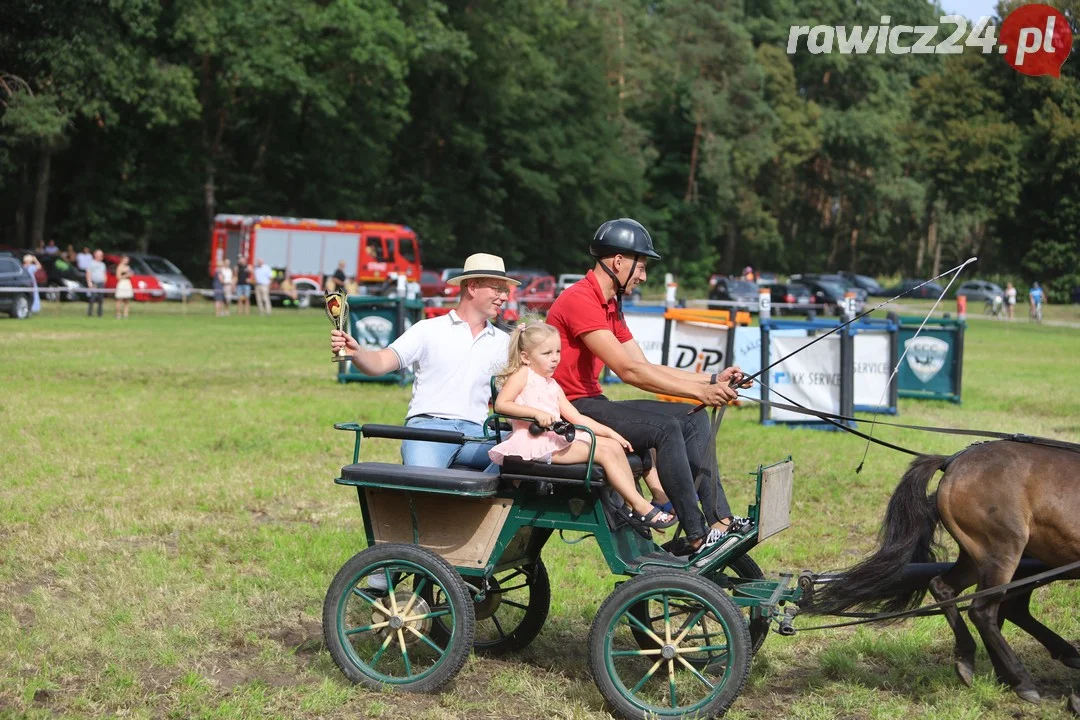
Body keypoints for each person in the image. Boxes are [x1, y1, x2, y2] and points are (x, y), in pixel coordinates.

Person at [547, 218, 749, 563]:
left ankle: (719, 520)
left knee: (689, 414)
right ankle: (698, 536)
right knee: (666, 426)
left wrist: (710, 381)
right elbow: (628, 371)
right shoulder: (579, 300)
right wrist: (700, 391)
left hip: (589, 402)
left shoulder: (610, 304)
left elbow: (647, 366)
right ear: (618, 261)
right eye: (640, 266)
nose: (642, 276)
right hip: (569, 408)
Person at [330, 253, 519, 469]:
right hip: (428, 430)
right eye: (498, 289)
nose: (504, 297)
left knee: (522, 457)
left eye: (505, 290)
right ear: (473, 286)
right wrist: (357, 353)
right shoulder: (428, 329)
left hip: (477, 434)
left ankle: (479, 501)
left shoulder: (505, 342)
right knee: (425, 484)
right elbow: (380, 363)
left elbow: (513, 399)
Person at [489, 320, 676, 534]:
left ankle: (629, 506)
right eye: (547, 353)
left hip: (552, 440)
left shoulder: (551, 383)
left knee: (612, 446)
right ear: (525, 357)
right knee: (603, 453)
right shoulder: (523, 375)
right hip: (533, 444)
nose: (555, 358)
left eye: (558, 352)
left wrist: (610, 432)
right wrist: (535, 413)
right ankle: (641, 506)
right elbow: (502, 404)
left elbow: (576, 417)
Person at [85, 249, 107, 317]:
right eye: (100, 255)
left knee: (101, 299)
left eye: (101, 255)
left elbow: (104, 274)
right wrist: (89, 282)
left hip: (101, 283)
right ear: (96, 255)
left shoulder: (103, 264)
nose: (101, 256)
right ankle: (90, 313)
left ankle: (99, 314)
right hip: (94, 282)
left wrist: (104, 281)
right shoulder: (91, 263)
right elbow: (88, 273)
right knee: (92, 298)